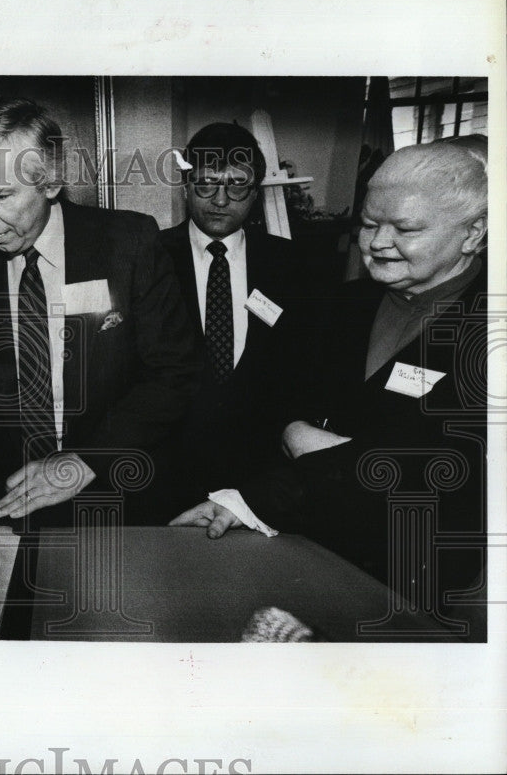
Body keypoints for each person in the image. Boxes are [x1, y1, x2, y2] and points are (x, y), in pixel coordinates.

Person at [170, 140, 489, 635]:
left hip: (412, 577)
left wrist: (268, 484)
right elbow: (273, 391)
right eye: (368, 224)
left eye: (405, 229)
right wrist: (293, 430)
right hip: (310, 552)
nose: (378, 243)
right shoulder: (344, 303)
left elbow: (435, 460)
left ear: (474, 234)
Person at [0, 97, 201, 528]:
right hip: (11, 503)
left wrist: (84, 462)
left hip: (116, 496)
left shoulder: (128, 243)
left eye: (0, 195)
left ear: (51, 182)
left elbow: (173, 375)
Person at [155, 122, 321, 518]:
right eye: (206, 183)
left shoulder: (294, 265)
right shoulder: (150, 258)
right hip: (166, 473)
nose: (220, 199)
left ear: (257, 191)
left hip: (258, 476)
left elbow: (305, 370)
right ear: (185, 184)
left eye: (237, 186)